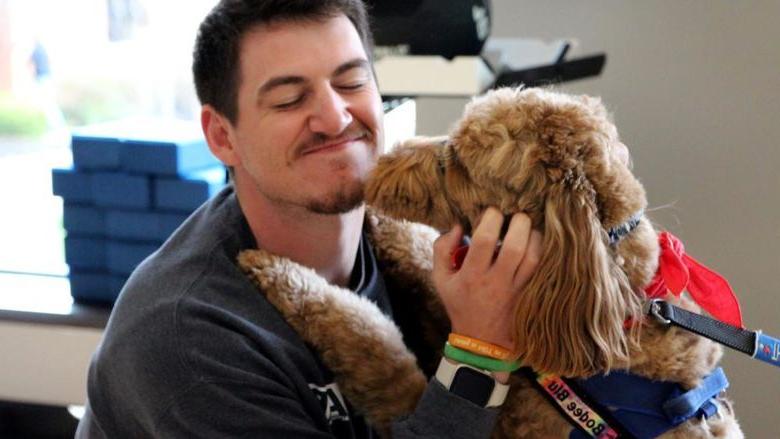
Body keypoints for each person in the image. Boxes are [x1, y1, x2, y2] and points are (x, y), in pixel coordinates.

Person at [76, 0, 542, 437]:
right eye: (289, 99)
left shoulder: (420, 245)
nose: (334, 118)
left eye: (351, 83)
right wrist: (479, 355)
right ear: (222, 136)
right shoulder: (187, 338)